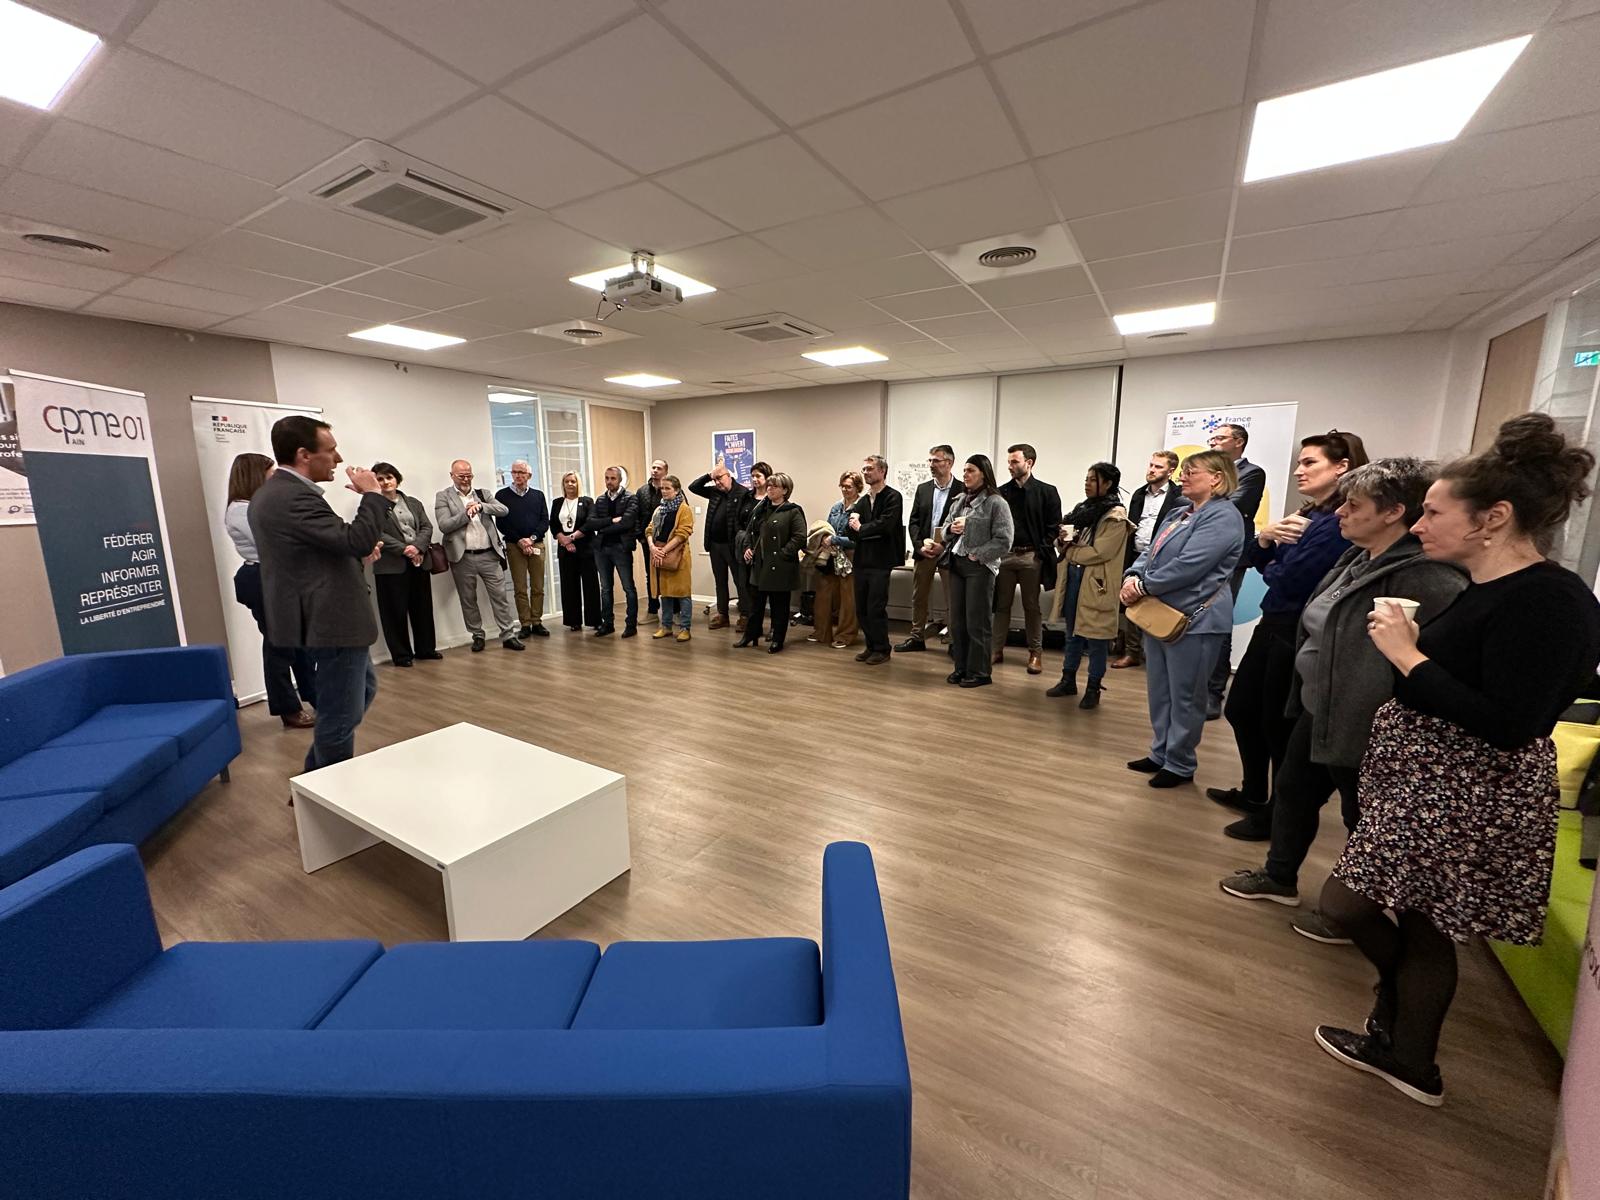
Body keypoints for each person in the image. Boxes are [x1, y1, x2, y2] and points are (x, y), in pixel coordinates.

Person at [1314, 415, 1600, 1107]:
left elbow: (1510, 723)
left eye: (1435, 513)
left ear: (1493, 518)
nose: (1419, 525)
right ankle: (1407, 1048)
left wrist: (1407, 655)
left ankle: (1404, 1030)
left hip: (1467, 792)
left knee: (1353, 906)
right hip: (1433, 784)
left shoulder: (1551, 600)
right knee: (1417, 923)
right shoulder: (1490, 586)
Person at [1219, 459, 1468, 941]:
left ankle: (1355, 913)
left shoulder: (1427, 575)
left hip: (1366, 717)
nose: (1340, 513)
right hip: (1322, 703)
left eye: (1354, 505)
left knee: (1362, 815)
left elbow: (1428, 658)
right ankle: (1279, 876)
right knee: (1294, 789)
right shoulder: (1358, 557)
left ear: (1393, 512)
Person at [1208, 431, 1368, 838]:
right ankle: (1254, 793)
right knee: (1242, 709)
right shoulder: (1311, 514)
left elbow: (1290, 578)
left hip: (1297, 631)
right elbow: (1257, 558)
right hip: (1274, 622)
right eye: (1299, 462)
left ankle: (1275, 813)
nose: (1299, 470)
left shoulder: (1335, 524)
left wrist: (1275, 558)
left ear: (1342, 467)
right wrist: (1266, 538)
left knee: (1277, 726)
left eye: (1309, 462)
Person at [248, 415, 388, 772]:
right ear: (303, 455)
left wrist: (353, 554)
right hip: (331, 620)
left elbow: (316, 552)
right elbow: (355, 539)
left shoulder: (275, 494)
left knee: (360, 693)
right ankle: (322, 790)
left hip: (324, 616)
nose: (338, 459)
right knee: (341, 715)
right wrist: (373, 495)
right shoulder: (292, 497)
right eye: (331, 450)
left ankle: (310, 783)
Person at [1121, 450, 1244, 788]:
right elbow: (1150, 553)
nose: (1183, 477)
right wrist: (1133, 575)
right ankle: (1160, 751)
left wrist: (1143, 586)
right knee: (1160, 691)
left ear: (1216, 478)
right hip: (1160, 615)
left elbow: (1190, 565)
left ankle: (1180, 762)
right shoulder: (1179, 512)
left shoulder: (1224, 517)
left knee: (1186, 696)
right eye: (1184, 471)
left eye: (1192, 471)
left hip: (1195, 620)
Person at [224, 452, 316, 728]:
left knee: (301, 644)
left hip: (279, 577)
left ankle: (315, 695)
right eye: (271, 472)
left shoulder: (256, 506)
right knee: (280, 646)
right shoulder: (241, 510)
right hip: (263, 579)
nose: (275, 477)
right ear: (255, 475)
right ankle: (287, 708)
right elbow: (274, 541)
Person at [1046, 462, 1132, 710]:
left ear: (1108, 484)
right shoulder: (1082, 510)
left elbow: (1100, 552)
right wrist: (1062, 540)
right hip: (1074, 578)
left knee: (1097, 638)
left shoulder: (1115, 516)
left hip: (1096, 583)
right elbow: (1065, 543)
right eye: (1086, 478)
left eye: (1093, 479)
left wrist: (1071, 551)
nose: (1087, 483)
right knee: (1072, 632)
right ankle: (1068, 680)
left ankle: (1093, 687)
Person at [1207, 422, 1267, 718]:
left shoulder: (1252, 473)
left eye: (1220, 438)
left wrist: (1204, 498)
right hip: (1201, 553)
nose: (1213, 442)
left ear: (1238, 442)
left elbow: (1233, 505)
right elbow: (1184, 501)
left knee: (1219, 620)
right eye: (1211, 438)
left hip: (1229, 557)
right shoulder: (1209, 471)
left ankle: (1213, 692)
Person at [940, 454, 1014, 688]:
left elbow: (1004, 540)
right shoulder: (959, 500)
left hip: (979, 567)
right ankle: (961, 668)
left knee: (977, 622)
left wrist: (978, 554)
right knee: (957, 622)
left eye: (971, 470)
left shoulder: (996, 503)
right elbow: (944, 529)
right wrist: (951, 529)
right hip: (956, 564)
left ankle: (980, 672)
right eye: (964, 470)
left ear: (984, 473)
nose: (965, 475)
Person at [435, 460, 524, 653]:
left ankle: (508, 635)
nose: (466, 479)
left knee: (500, 597)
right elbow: (444, 525)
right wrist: (466, 513)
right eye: (461, 476)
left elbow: (504, 510)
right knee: (468, 599)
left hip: (489, 555)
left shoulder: (483, 494)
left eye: (469, 475)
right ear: (452, 476)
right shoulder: (443, 496)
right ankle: (477, 635)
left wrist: (482, 506)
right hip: (462, 557)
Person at [992, 443, 1063, 675]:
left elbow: (1054, 526)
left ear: (1029, 463)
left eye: (1015, 461)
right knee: (1001, 605)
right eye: (1009, 462)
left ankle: (1035, 652)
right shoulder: (1001, 492)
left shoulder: (1047, 491)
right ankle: (996, 649)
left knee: (1031, 606)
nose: (1010, 466)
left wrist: (1040, 551)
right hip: (1006, 556)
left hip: (1031, 556)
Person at [1111, 450, 1183, 670]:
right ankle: (1132, 652)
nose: (1152, 470)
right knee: (1132, 600)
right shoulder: (1139, 494)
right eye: (1151, 465)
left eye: (1158, 467)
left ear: (1171, 471)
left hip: (1162, 557)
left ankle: (1156, 654)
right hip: (1135, 554)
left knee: (1159, 605)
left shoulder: (1179, 496)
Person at [370, 461, 440, 669]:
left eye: (389, 477)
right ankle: (401, 655)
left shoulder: (413, 502)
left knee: (422, 608)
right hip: (391, 565)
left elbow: (426, 527)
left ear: (397, 479)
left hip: (419, 561)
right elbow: (377, 533)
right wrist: (404, 549)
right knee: (394, 612)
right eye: (380, 479)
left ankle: (426, 649)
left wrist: (417, 548)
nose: (385, 482)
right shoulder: (373, 506)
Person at [737, 471, 805, 653]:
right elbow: (750, 532)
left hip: (780, 565)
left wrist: (783, 554)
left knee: (779, 606)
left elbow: (799, 537)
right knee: (755, 605)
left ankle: (777, 639)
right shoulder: (760, 509)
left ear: (785, 490)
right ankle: (750, 635)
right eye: (769, 485)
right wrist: (748, 548)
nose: (770, 489)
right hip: (760, 564)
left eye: (775, 486)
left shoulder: (792, 511)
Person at [898, 444, 957, 652]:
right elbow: (913, 521)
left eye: (936, 461)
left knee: (953, 598)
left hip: (949, 552)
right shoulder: (923, 489)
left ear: (949, 463)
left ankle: (954, 640)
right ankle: (917, 637)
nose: (931, 464)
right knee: (919, 596)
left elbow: (963, 524)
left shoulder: (962, 490)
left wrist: (943, 545)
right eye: (930, 460)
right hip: (925, 551)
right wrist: (918, 545)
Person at [849, 455, 905, 666]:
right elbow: (851, 531)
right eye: (864, 469)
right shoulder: (862, 501)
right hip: (862, 560)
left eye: (870, 469)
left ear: (882, 471)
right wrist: (855, 526)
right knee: (861, 608)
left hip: (881, 561)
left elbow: (886, 525)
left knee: (875, 607)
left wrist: (861, 528)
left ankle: (882, 648)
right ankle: (871, 645)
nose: (865, 472)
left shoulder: (893, 497)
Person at [688, 462, 750, 630]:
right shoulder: (715, 492)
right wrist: (710, 475)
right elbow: (693, 487)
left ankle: (745, 616)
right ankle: (723, 615)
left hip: (733, 546)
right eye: (714, 479)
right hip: (715, 544)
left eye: (719, 478)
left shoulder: (743, 493)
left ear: (729, 476)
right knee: (720, 581)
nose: (717, 482)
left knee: (740, 582)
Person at [495, 459, 550, 639]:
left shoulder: (538, 495)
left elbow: (544, 520)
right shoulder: (501, 495)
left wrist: (531, 539)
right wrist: (519, 540)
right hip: (514, 546)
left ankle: (537, 621)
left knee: (538, 586)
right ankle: (525, 623)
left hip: (536, 544)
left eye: (521, 472)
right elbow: (501, 523)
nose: (517, 475)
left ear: (529, 475)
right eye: (515, 472)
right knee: (520, 588)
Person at [586, 465, 641, 638]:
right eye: (607, 478)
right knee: (605, 589)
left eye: (613, 478)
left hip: (621, 548)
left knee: (628, 588)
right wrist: (611, 521)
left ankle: (631, 625)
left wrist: (602, 528)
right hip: (601, 549)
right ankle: (607, 624)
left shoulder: (631, 498)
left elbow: (626, 523)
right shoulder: (600, 499)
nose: (609, 482)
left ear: (620, 480)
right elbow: (591, 522)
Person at [810, 470, 862, 648]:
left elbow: (858, 538)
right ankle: (821, 632)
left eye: (849, 487)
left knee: (848, 597)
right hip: (831, 554)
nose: (845, 490)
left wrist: (835, 540)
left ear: (858, 488)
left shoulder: (861, 508)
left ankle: (845, 635)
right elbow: (827, 528)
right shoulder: (836, 507)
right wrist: (826, 539)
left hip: (850, 555)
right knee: (823, 592)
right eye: (843, 486)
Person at [646, 473, 694, 642]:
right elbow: (649, 529)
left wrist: (664, 550)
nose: (664, 491)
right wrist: (652, 548)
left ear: (677, 490)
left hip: (677, 555)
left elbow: (683, 533)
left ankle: (685, 628)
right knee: (665, 593)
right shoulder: (659, 509)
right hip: (659, 553)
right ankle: (666, 626)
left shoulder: (684, 509)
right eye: (662, 488)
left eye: (668, 488)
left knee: (682, 593)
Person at [551, 472, 600, 631]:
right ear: (563, 484)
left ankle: (594, 620)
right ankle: (574, 621)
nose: (570, 484)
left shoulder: (587, 501)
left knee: (590, 585)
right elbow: (553, 525)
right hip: (565, 550)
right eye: (567, 481)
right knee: (569, 586)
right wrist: (564, 541)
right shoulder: (557, 502)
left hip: (585, 548)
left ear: (578, 483)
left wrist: (571, 537)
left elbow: (590, 524)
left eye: (573, 481)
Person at [733, 461, 771, 633]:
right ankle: (747, 618)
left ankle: (763, 624)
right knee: (745, 583)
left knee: (761, 586)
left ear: (767, 478)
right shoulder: (746, 497)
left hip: (763, 547)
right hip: (745, 545)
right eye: (752, 476)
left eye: (758, 476)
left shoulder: (771, 499)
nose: (755, 479)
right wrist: (744, 543)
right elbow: (737, 520)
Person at [635, 458, 668, 623]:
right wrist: (640, 537)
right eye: (653, 467)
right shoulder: (642, 491)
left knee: (669, 574)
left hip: (668, 542)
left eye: (659, 468)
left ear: (665, 472)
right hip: (647, 541)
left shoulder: (671, 489)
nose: (655, 470)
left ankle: (674, 611)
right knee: (651, 576)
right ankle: (653, 611)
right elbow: (636, 515)